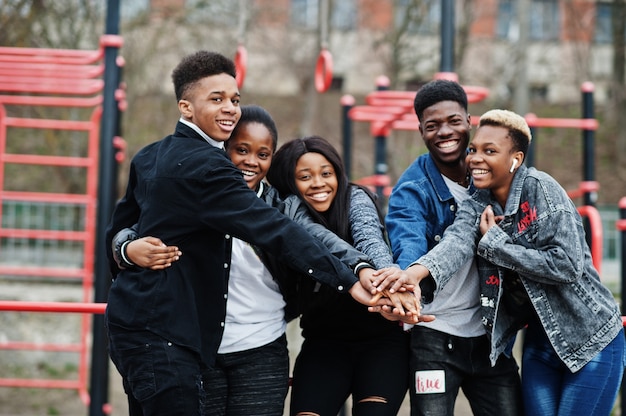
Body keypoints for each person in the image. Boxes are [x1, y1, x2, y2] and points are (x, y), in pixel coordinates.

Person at [104, 50, 399, 416]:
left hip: (146, 328)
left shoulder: (151, 155)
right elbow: (275, 231)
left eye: (235, 99)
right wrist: (351, 279)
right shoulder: (207, 167)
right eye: (217, 99)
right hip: (165, 336)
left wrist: (124, 246)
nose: (230, 107)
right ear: (185, 107)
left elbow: (119, 227)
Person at [376, 109, 626, 416]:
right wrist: (415, 274)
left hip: (591, 337)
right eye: (473, 150)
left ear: (515, 159)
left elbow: (567, 265)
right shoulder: (479, 202)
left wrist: (496, 244)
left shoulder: (541, 190)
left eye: (489, 151)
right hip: (540, 344)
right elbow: (455, 243)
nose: (475, 159)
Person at [382, 79, 523, 415]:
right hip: (434, 336)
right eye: (433, 126)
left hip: (491, 338)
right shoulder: (411, 190)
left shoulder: (495, 176)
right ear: (421, 131)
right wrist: (407, 284)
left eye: (453, 122)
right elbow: (409, 243)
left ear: (469, 122)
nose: (444, 132)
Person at [266, 135, 423, 416]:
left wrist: (389, 283)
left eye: (326, 173)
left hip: (381, 343)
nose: (318, 183)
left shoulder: (356, 197)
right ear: (289, 182)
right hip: (323, 344)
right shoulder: (288, 214)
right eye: (305, 176)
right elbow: (316, 238)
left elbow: (370, 240)